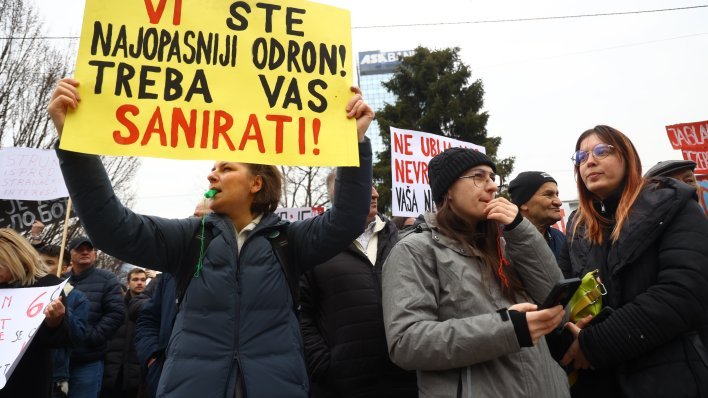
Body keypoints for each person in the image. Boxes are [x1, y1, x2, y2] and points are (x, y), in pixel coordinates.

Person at [48, 77, 375, 397]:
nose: (211, 174)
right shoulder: (188, 238)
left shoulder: (288, 241)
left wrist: (355, 143)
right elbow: (112, 228)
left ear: (256, 184)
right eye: (213, 167)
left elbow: (346, 220)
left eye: (226, 168)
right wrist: (73, 141)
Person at [382, 147, 569, 397]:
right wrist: (507, 328)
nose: (492, 186)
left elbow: (557, 302)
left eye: (492, 178)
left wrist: (520, 229)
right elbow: (406, 342)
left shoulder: (505, 244)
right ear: (448, 190)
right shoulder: (415, 251)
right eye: (478, 177)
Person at [558, 125, 708, 397]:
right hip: (598, 381)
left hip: (668, 378)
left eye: (602, 151)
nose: (589, 161)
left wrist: (594, 344)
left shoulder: (673, 205)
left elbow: (683, 293)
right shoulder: (577, 225)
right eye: (580, 157)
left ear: (628, 157)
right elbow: (564, 290)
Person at [299, 170, 417, 397]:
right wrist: (323, 365)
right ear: (337, 195)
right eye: (364, 186)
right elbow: (302, 313)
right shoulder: (314, 245)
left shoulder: (402, 241)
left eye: (373, 186)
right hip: (342, 386)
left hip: (405, 380)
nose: (374, 194)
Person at [0, 228, 70, 398]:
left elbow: (61, 339)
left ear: (15, 258)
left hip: (26, 380)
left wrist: (54, 321)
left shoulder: (47, 286)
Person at [65, 236, 126, 398]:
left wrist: (92, 338)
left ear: (95, 254)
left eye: (89, 249)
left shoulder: (107, 278)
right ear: (70, 254)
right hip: (61, 360)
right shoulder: (61, 280)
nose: (85, 252)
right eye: (79, 249)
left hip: (88, 361)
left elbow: (116, 313)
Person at [37, 244, 90, 398]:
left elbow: (78, 337)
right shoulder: (27, 292)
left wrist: (63, 309)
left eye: (49, 263)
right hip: (29, 371)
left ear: (64, 268)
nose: (43, 267)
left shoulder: (78, 298)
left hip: (56, 377)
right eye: (39, 263)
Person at [101, 268, 146, 398]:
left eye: (143, 280)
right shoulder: (117, 306)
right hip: (112, 368)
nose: (139, 283)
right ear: (128, 283)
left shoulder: (150, 308)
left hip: (135, 371)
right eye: (135, 279)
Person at [508, 171, 566, 260]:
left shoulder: (560, 238)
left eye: (556, 195)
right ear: (523, 203)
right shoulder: (503, 241)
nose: (558, 202)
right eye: (548, 195)